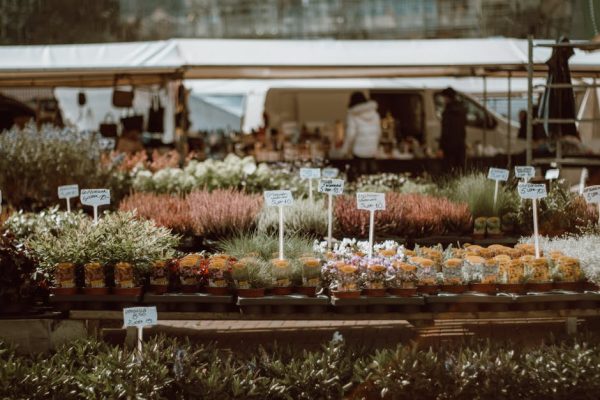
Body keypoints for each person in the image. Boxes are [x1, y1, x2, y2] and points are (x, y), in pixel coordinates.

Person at [340, 91, 382, 178]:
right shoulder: (375, 114)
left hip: (358, 152)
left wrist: (345, 150)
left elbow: (351, 134)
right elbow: (378, 132)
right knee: (372, 178)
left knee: (358, 177)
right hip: (372, 151)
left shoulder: (353, 115)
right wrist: (375, 146)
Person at [439, 87, 467, 171]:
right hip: (460, 144)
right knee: (460, 169)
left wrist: (441, 147)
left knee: (448, 169)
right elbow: (463, 130)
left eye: (444, 98)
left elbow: (445, 131)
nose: (443, 100)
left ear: (447, 97)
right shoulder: (462, 110)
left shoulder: (447, 112)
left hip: (449, 146)